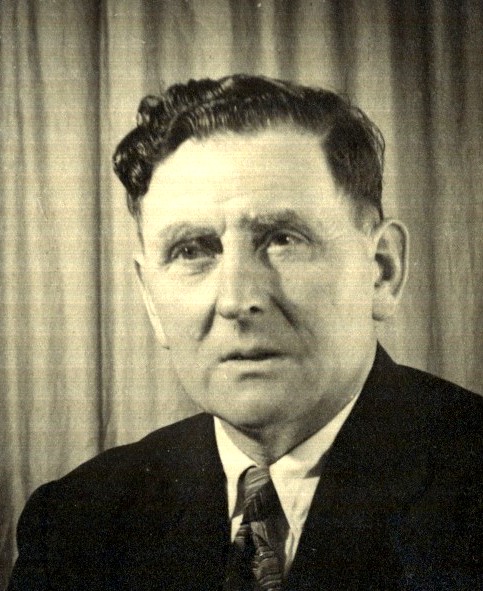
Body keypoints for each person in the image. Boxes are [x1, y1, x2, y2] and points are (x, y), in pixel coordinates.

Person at [8, 75, 482, 590]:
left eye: (283, 239)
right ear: (150, 298)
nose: (236, 300)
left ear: (382, 271)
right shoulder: (76, 524)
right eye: (192, 250)